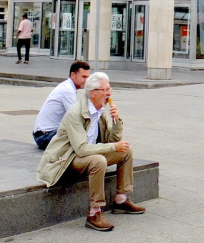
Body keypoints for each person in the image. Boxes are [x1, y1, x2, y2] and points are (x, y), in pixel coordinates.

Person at [36, 72, 145, 232]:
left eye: (110, 89)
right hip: (67, 159)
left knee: (126, 150)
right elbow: (81, 149)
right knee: (98, 160)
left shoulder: (99, 111)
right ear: (92, 93)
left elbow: (111, 141)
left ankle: (121, 200)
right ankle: (94, 213)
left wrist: (117, 122)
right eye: (105, 89)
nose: (109, 93)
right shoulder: (76, 113)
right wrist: (112, 148)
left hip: (86, 156)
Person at [32, 61, 92, 149]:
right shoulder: (67, 90)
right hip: (44, 137)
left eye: (88, 77)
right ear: (73, 75)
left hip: (45, 134)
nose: (86, 81)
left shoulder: (68, 87)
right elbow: (77, 117)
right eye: (83, 77)